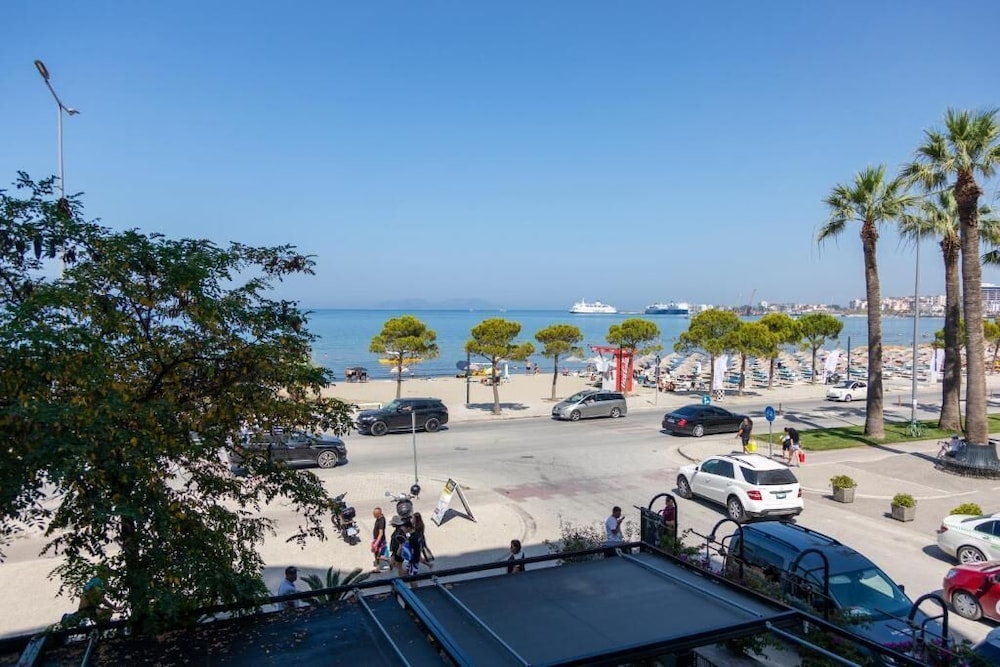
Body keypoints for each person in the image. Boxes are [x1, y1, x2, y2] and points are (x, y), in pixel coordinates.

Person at [371, 507, 387, 572]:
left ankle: (389, 560)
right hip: (376, 539)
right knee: (376, 553)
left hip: (380, 540)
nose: (373, 515)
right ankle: (378, 567)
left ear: (378, 514)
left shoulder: (381, 521)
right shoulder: (379, 518)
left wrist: (376, 543)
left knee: (378, 554)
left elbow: (381, 533)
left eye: (374, 514)